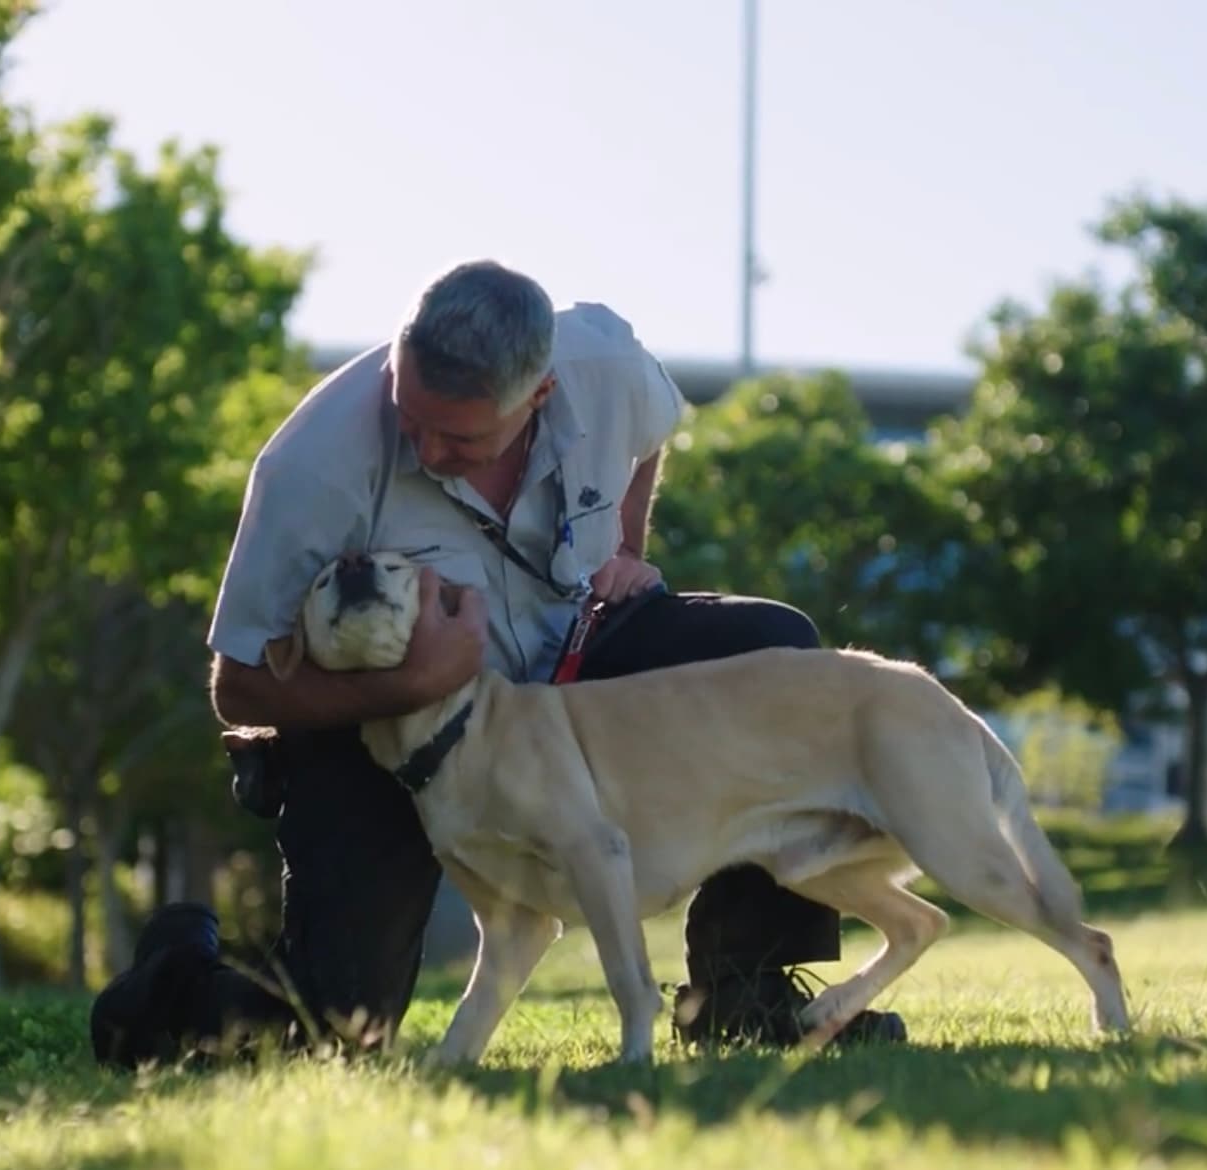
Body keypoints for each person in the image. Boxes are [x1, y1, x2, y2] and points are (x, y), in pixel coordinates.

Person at [98, 259, 908, 1066]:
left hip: (571, 675)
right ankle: (169, 983)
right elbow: (236, 685)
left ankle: (743, 994)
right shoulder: (310, 468)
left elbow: (649, 432)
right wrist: (410, 685)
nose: (425, 446)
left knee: (773, 648)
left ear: (540, 394)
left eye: (458, 436)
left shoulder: (604, 367)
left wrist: (625, 547)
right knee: (337, 1031)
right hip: (379, 729)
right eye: (408, 414)